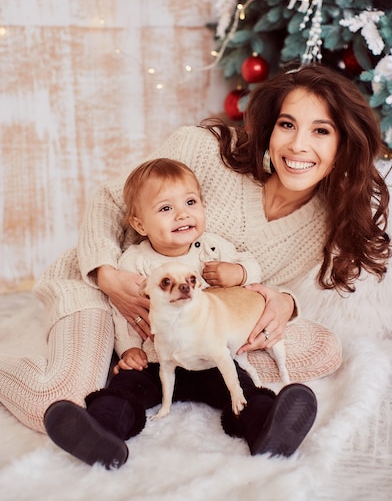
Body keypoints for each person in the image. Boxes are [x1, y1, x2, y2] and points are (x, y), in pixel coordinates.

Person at [1, 63, 392, 463]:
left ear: (343, 145)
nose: (297, 146)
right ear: (270, 129)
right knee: (56, 400)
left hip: (187, 317)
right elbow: (111, 201)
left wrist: (285, 302)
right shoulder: (206, 151)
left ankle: (234, 405)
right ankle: (106, 374)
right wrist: (108, 277)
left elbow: (255, 285)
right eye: (287, 125)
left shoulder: (324, 221)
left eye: (320, 131)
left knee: (325, 347)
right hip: (102, 286)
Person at [42, 157, 313, 468]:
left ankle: (267, 425)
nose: (182, 214)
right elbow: (123, 311)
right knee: (126, 388)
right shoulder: (135, 263)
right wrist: (129, 349)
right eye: (165, 208)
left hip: (208, 357)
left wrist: (237, 272)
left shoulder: (213, 249)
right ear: (140, 224)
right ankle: (101, 429)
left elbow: (253, 267)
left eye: (190, 202)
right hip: (158, 358)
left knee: (240, 389)